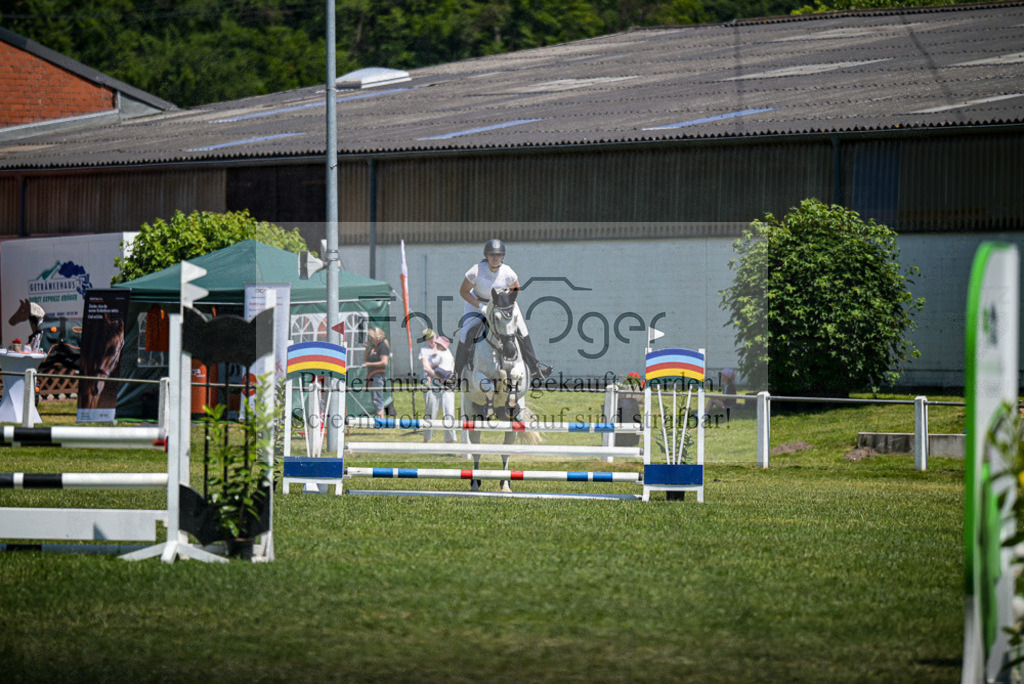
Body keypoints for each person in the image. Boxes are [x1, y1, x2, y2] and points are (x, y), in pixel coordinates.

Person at [454, 239, 553, 381]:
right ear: (486, 255)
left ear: (503, 256)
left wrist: (505, 301)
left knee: (522, 329)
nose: (495, 258)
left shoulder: (508, 272)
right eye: (492, 255)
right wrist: (480, 306)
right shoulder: (475, 271)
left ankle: (535, 368)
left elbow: (516, 289)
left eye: (498, 255)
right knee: (466, 332)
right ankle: (456, 373)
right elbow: (463, 291)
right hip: (478, 302)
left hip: (501, 303)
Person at [419, 329, 456, 444]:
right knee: (430, 412)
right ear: (426, 340)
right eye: (429, 338)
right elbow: (426, 367)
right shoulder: (424, 351)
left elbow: (452, 364)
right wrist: (440, 378)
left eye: (433, 337)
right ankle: (426, 442)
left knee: (449, 412)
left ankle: (450, 443)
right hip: (433, 384)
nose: (432, 340)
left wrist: (450, 378)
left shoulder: (445, 349)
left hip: (447, 384)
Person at [363, 327, 390, 418]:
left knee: (377, 397)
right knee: (375, 397)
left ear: (377, 337)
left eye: (371, 337)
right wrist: (366, 349)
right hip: (372, 375)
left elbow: (384, 362)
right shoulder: (373, 347)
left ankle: (381, 418)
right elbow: (366, 360)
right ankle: (380, 417)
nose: (370, 339)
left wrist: (369, 364)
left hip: (378, 375)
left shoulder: (382, 346)